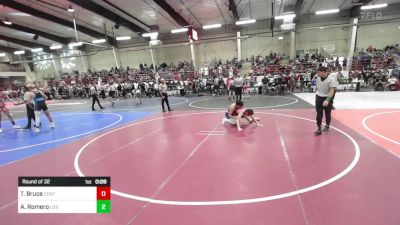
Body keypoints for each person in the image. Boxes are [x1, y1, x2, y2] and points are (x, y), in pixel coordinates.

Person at [314, 66, 337, 135]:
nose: (317, 74)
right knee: (319, 113)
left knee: (327, 113)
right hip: (319, 97)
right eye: (317, 72)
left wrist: (327, 100)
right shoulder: (318, 78)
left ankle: (327, 126)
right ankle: (319, 127)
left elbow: (332, 90)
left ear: (324, 72)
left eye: (319, 72)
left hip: (327, 97)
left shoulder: (331, 79)